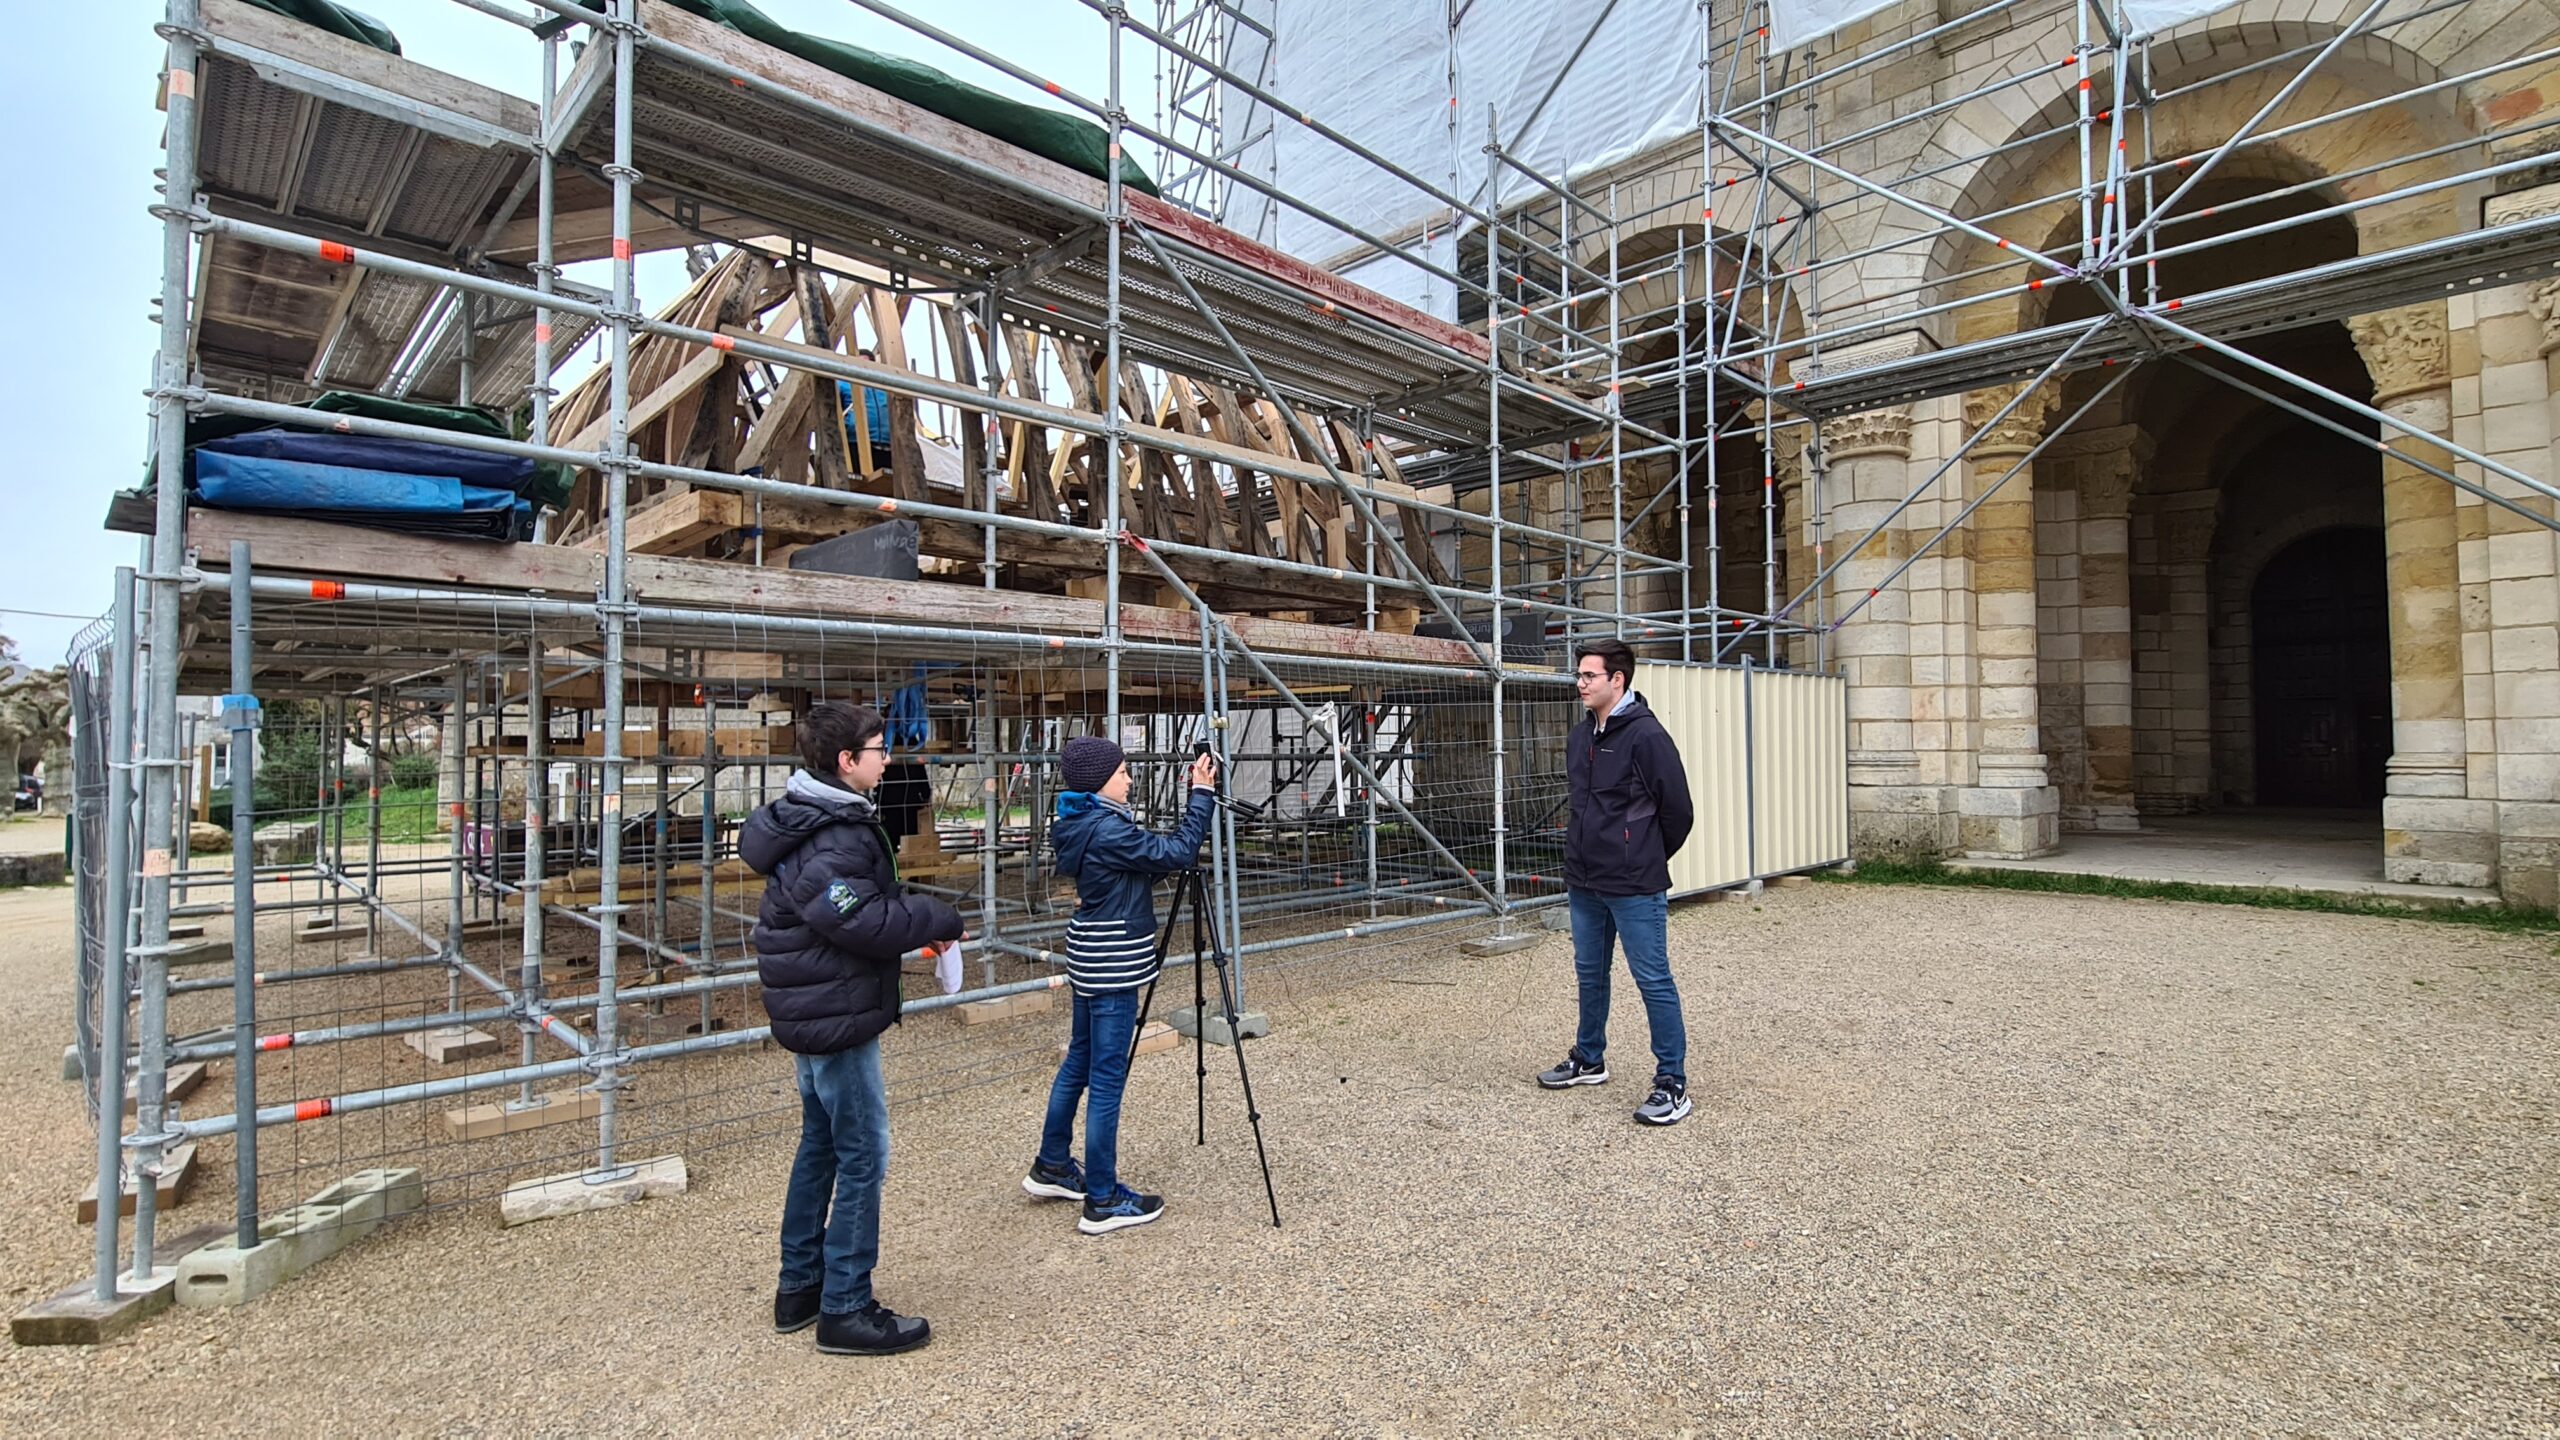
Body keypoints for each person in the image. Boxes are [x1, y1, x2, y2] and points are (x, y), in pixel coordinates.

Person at [740, 701, 963, 1355]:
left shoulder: (816, 819)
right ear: (846, 762)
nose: (887, 756)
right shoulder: (833, 834)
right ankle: (845, 1307)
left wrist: (911, 911)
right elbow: (859, 918)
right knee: (864, 1154)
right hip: (832, 1013)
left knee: (822, 1148)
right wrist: (938, 918)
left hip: (815, 1004)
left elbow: (855, 906)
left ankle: (800, 1288)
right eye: (877, 747)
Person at [1022, 736, 1218, 1234]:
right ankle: (1103, 1199)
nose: (1130, 779)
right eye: (1124, 771)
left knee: (1079, 1062)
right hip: (1113, 961)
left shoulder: (1080, 823)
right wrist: (1201, 795)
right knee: (1107, 1078)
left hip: (1090, 953)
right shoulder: (1107, 829)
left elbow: (1123, 874)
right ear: (1100, 780)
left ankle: (1053, 1165)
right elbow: (1177, 851)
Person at [1538, 637, 1697, 1126]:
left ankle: (1672, 1083)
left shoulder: (1647, 737)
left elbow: (1679, 813)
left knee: (1652, 979)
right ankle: (1590, 1059)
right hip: (1584, 880)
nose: (1579, 683)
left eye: (1589, 676)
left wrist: (1639, 856)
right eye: (1579, 675)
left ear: (1617, 680)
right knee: (1590, 973)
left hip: (1633, 884)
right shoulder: (1580, 736)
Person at [836, 348, 891, 456]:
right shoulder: (843, 383)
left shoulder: (884, 388)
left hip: (888, 445)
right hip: (855, 443)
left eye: (866, 363)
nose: (862, 367)